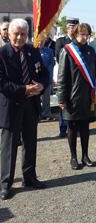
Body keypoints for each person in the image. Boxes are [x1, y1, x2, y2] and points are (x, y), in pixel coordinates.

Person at [0, 18, 49, 200]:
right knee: (9, 146)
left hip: (31, 105)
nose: (20, 37)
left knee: (30, 142)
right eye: (16, 34)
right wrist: (24, 89)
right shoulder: (2, 53)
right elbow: (2, 82)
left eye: (23, 34)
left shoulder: (32, 51)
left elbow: (43, 71)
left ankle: (29, 177)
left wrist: (42, 85)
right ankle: (5, 184)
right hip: (11, 105)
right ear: (9, 34)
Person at [57, 23, 96, 170]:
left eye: (87, 34)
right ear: (76, 34)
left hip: (87, 97)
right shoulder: (67, 51)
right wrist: (61, 99)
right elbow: (62, 77)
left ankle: (85, 155)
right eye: (82, 34)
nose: (85, 37)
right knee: (72, 128)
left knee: (85, 127)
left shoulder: (90, 50)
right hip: (72, 97)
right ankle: (74, 157)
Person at [55, 17, 79, 138]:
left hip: (77, 79)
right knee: (63, 103)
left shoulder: (79, 42)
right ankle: (63, 128)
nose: (72, 29)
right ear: (67, 28)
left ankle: (75, 126)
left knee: (75, 103)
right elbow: (59, 58)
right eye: (70, 27)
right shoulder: (60, 41)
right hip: (65, 76)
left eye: (74, 28)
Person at [39, 36, 56, 121]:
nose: (39, 43)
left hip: (47, 78)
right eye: (38, 41)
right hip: (36, 79)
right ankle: (38, 114)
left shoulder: (49, 51)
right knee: (37, 98)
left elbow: (52, 64)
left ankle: (46, 114)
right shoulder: (33, 51)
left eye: (41, 41)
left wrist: (48, 75)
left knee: (46, 98)